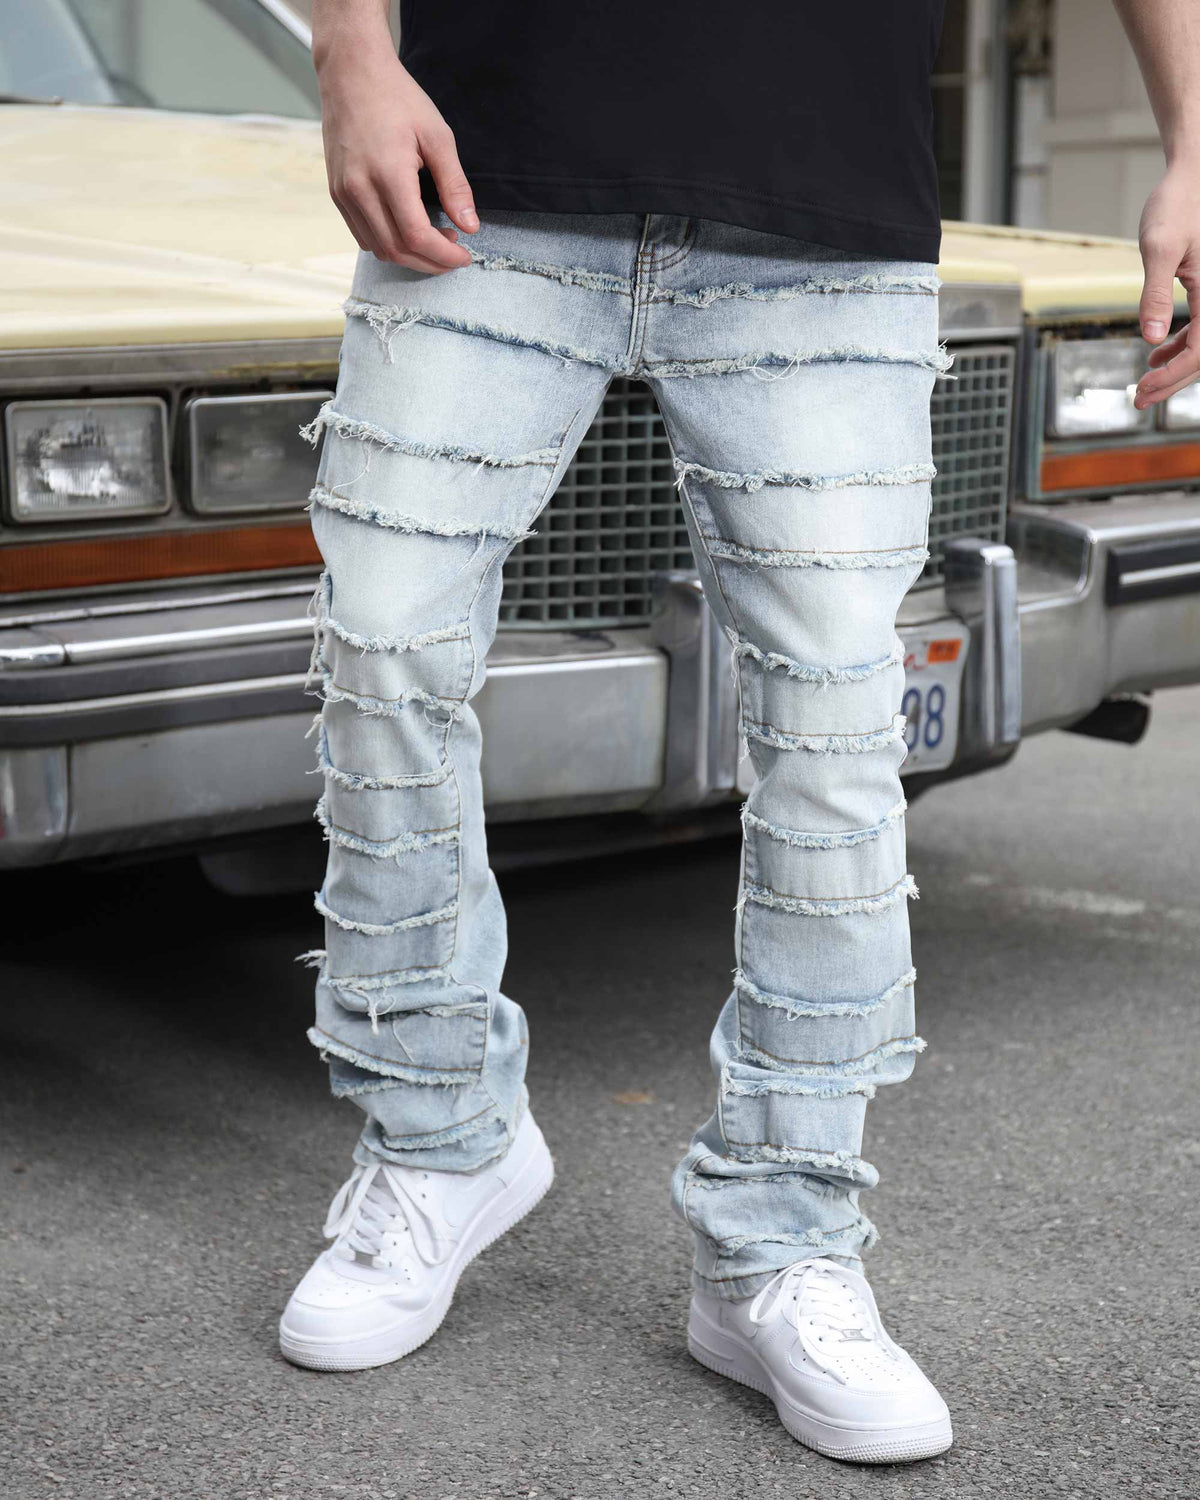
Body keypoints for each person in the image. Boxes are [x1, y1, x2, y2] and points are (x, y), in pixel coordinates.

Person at [279, 0, 1197, 1464]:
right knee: (382, 647)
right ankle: (440, 1141)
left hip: (825, 221)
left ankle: (782, 1240)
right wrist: (351, 52)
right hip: (482, 175)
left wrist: (1194, 145)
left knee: (834, 737)